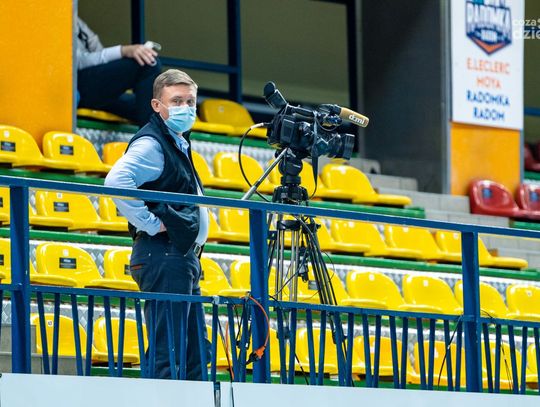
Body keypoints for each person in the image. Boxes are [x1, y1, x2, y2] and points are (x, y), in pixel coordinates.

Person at [104, 69, 210, 379]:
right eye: (176, 101)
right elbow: (116, 181)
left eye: (190, 101)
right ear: (156, 105)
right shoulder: (152, 143)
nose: (185, 107)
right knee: (170, 352)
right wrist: (151, 223)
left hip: (179, 255)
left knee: (194, 354)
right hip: (164, 253)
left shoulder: (177, 141)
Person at [76, 17, 161, 126]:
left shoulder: (76, 20)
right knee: (148, 63)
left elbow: (97, 51)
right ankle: (150, 136)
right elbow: (76, 62)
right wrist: (123, 51)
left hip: (93, 90)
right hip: (72, 87)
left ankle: (154, 133)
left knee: (157, 107)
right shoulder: (60, 16)